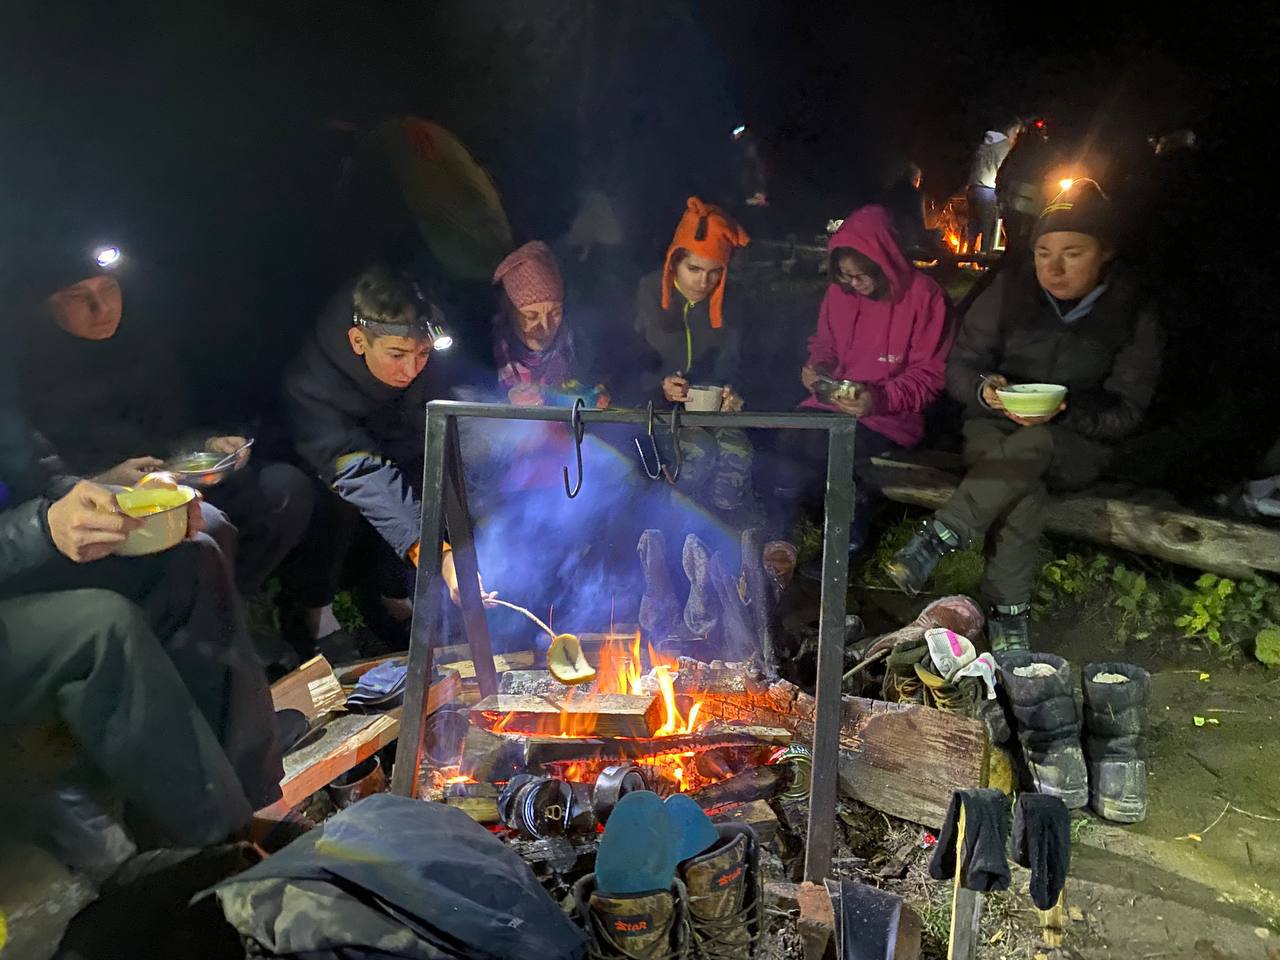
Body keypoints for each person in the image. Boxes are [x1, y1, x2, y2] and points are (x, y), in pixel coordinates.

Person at [0, 369, 284, 869]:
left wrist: (113, 497)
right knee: (101, 626)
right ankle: (214, 845)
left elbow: (37, 478)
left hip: (17, 564)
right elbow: (36, 521)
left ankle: (248, 793)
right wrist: (41, 527)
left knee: (189, 555)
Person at [885, 181, 1164, 651]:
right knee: (1022, 488)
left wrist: (1068, 410)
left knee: (1034, 446)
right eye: (1042, 253)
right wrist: (983, 388)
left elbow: (1126, 410)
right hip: (992, 426)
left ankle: (939, 537)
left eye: (1072, 253)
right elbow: (961, 365)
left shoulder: (1132, 311)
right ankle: (1007, 621)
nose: (1053, 268)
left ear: (1105, 253)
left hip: (1077, 444)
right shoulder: (1010, 291)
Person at [11, 236, 315, 601]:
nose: (102, 307)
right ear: (45, 306)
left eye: (109, 288)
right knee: (204, 530)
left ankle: (235, 602)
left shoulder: (143, 340)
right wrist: (104, 479)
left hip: (170, 476)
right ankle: (208, 621)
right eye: (78, 297)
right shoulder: (23, 373)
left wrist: (207, 445)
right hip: (105, 503)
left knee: (286, 488)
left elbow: (175, 424)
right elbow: (34, 483)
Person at [284, 266, 484, 652]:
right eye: (397, 355)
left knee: (429, 469)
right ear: (358, 341)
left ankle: (393, 596)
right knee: (345, 496)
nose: (410, 369)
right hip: (333, 468)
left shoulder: (421, 341)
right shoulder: (312, 382)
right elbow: (358, 470)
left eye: (422, 354)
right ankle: (313, 612)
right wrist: (440, 555)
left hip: (394, 445)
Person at [784, 205, 953, 567]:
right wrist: (818, 369)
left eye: (862, 276)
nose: (854, 285)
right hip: (832, 405)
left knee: (834, 448)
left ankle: (851, 542)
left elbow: (930, 375)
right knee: (786, 439)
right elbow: (825, 346)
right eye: (846, 276)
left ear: (887, 261)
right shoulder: (839, 295)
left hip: (893, 416)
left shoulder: (926, 297)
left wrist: (879, 398)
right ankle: (798, 526)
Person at [632, 197, 754, 519]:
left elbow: (738, 365)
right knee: (696, 451)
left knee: (737, 451)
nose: (703, 282)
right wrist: (659, 386)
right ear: (675, 262)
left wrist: (734, 394)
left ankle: (723, 529)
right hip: (653, 412)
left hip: (711, 414)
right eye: (694, 269)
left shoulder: (731, 303)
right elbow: (625, 363)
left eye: (715, 273)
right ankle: (671, 524)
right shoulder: (647, 294)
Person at [492, 241, 609, 409]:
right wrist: (506, 400)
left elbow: (598, 383)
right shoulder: (489, 350)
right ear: (511, 313)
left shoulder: (577, 345)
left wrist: (598, 396)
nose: (545, 327)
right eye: (532, 316)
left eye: (555, 313)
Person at [967, 120, 1022, 252]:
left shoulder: (983, 144)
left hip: (972, 188)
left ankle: (965, 260)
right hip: (988, 190)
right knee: (988, 230)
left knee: (973, 227)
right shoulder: (1005, 148)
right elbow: (1005, 172)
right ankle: (984, 264)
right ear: (1012, 131)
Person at [881, 162, 931, 252]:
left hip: (887, 236)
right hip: (906, 240)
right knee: (939, 234)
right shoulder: (916, 194)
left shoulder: (890, 190)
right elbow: (920, 221)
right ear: (916, 179)